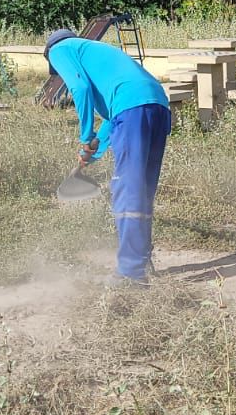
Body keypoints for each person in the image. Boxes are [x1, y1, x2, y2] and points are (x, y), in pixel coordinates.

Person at [44, 29, 173, 286]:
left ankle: (130, 273)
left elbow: (79, 88)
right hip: (157, 105)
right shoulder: (95, 52)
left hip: (132, 107)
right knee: (142, 189)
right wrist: (90, 154)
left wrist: (84, 134)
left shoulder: (59, 49)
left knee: (127, 188)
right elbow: (113, 120)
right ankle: (141, 258)